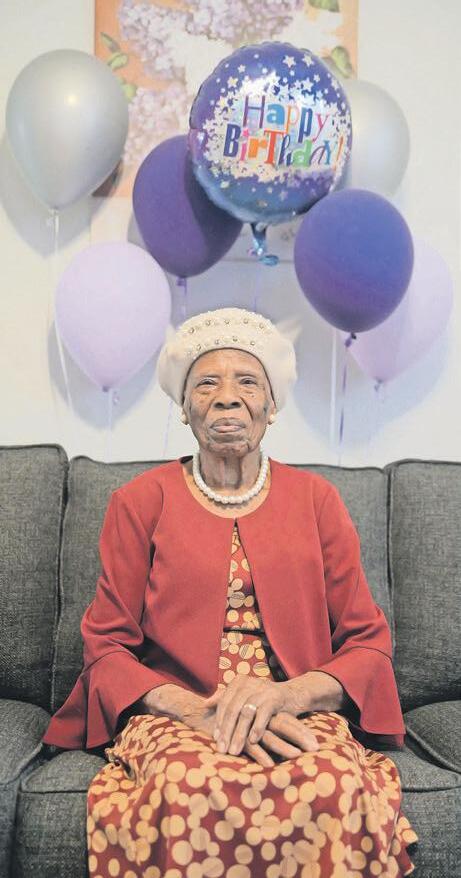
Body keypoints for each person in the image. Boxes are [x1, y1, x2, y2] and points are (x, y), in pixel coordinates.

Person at [42, 306, 419, 877]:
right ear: (184, 406)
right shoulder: (138, 502)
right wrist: (196, 711)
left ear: (271, 405)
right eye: (206, 384)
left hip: (291, 704)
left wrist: (286, 697)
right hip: (176, 710)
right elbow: (106, 646)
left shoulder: (317, 501)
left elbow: (367, 642)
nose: (226, 398)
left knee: (333, 779)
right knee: (183, 782)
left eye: (247, 382)